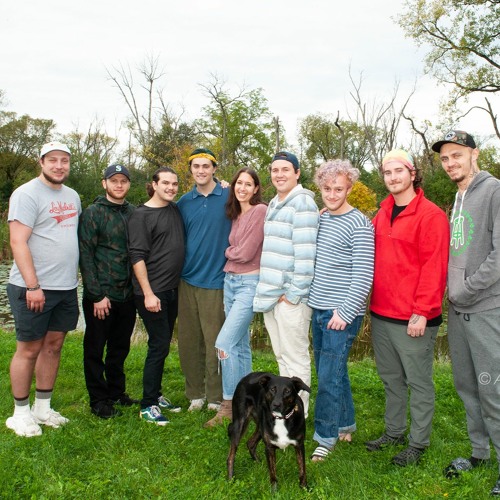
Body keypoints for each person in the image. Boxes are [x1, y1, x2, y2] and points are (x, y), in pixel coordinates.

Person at [365, 149, 449, 466]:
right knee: (391, 379)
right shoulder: (382, 212)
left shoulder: (430, 215)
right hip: (383, 312)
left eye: (398, 171)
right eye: (387, 173)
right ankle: (394, 432)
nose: (393, 178)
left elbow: (434, 267)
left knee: (418, 382)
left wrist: (423, 311)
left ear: (412, 173)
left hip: (413, 317)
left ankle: (418, 442)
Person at [432, 131, 500, 496]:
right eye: (444, 159)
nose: (450, 163)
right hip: (459, 312)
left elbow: (498, 257)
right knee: (467, 386)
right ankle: (480, 453)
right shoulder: (458, 197)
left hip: (487, 309)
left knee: (494, 389)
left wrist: (464, 289)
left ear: (475, 154)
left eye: (457, 155)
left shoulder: (494, 192)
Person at [6, 141, 81, 437]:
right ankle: (20, 413)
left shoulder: (73, 196)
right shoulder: (26, 193)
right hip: (33, 287)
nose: (59, 165)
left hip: (65, 287)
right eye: (53, 160)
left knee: (54, 346)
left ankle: (42, 407)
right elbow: (17, 241)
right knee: (29, 349)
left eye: (64, 160)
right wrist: (32, 286)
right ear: (41, 162)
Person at [308, 159, 374, 461]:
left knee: (328, 377)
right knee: (334, 372)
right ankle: (346, 422)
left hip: (340, 313)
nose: (332, 194)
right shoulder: (321, 219)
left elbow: (364, 275)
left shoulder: (358, 223)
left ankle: (325, 436)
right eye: (327, 188)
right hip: (318, 309)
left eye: (338, 189)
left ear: (349, 188)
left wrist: (345, 314)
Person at [253, 151, 319, 416]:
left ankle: (299, 415)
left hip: (291, 299)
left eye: (285, 170)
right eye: (274, 170)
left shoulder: (302, 203)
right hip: (271, 295)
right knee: (281, 356)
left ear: (297, 173)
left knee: (296, 358)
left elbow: (306, 255)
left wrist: (293, 294)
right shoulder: (275, 202)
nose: (279, 174)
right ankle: (286, 410)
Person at [204, 168, 267, 427]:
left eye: (248, 184)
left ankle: (229, 405)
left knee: (224, 344)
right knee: (240, 345)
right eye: (239, 183)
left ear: (255, 189)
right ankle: (249, 402)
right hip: (230, 283)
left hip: (248, 285)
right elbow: (237, 251)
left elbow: (245, 252)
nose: (242, 188)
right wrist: (233, 252)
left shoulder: (260, 211)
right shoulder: (236, 214)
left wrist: (228, 251)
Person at [78, 164, 138, 419]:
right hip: (101, 296)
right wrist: (96, 295)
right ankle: (98, 399)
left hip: (127, 294)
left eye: (123, 181)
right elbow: (86, 256)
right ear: (105, 183)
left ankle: (116, 392)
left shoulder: (134, 213)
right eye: (114, 181)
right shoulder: (93, 213)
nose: (119, 185)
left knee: (119, 348)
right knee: (95, 349)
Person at [128, 167, 185, 425]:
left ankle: (157, 394)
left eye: (174, 184)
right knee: (159, 344)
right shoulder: (141, 216)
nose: (171, 187)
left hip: (172, 289)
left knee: (161, 345)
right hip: (152, 293)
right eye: (165, 183)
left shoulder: (173, 208)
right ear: (154, 184)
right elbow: (136, 256)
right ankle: (147, 405)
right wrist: (149, 294)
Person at [177, 148, 231, 412]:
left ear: (214, 168)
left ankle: (214, 396)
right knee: (189, 341)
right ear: (191, 170)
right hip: (187, 281)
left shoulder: (229, 196)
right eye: (196, 166)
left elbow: (257, 210)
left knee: (214, 343)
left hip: (217, 281)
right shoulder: (184, 202)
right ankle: (195, 394)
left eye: (205, 166)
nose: (201, 170)